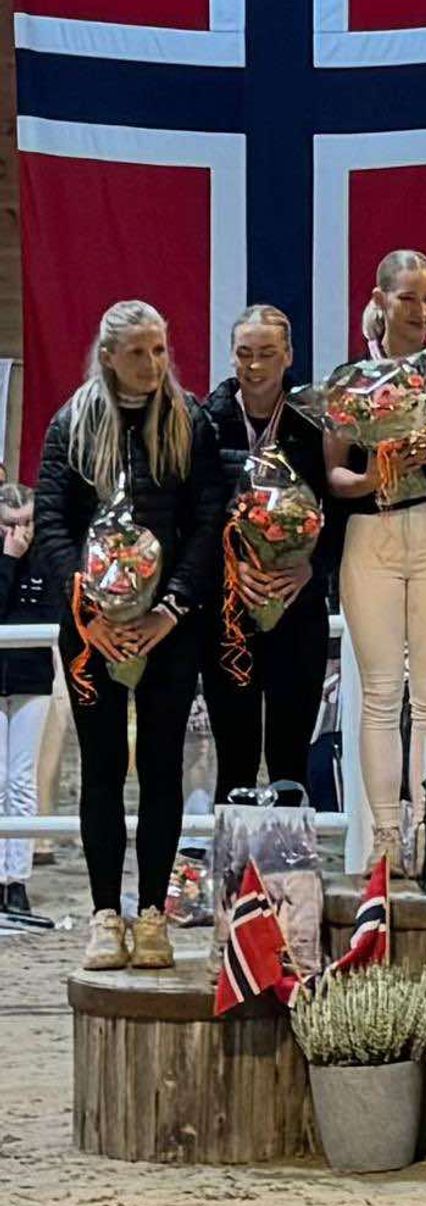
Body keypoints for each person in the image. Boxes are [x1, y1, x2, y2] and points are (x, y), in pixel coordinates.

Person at [35, 300, 223, 970]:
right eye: (139, 352)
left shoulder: (191, 421)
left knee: (163, 767)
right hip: (93, 633)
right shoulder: (71, 422)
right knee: (103, 768)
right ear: (109, 355)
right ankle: (104, 916)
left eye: (161, 349)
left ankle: (152, 917)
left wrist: (168, 610)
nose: (153, 363)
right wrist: (89, 611)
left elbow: (209, 523)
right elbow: (52, 523)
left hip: (168, 628)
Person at [326, 250, 426, 873]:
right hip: (372, 534)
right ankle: (385, 835)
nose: (421, 310)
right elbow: (334, 475)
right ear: (380, 300)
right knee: (381, 695)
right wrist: (372, 477)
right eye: (408, 297)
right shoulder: (351, 377)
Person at [202, 304, 329, 804]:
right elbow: (194, 518)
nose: (254, 366)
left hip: (297, 608)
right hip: (228, 615)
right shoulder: (206, 422)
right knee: (233, 758)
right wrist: (229, 569)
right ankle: (231, 854)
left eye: (267, 354)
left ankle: (290, 855)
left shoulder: (315, 421)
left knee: (290, 759)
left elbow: (340, 512)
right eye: (244, 353)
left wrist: (311, 567)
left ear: (289, 356)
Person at [0, 484, 58, 915]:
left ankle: (16, 879)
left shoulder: (47, 557)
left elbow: (50, 613)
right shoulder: (8, 554)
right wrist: (7, 561)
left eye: (26, 523)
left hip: (32, 678)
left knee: (21, 779)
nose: (19, 533)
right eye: (9, 524)